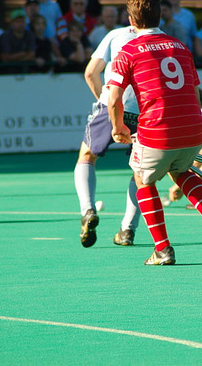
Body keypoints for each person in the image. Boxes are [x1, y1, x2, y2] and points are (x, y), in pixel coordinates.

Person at [107, 0, 202, 265]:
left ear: (131, 20)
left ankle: (162, 249)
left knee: (143, 179)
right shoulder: (180, 46)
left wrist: (118, 129)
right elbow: (197, 91)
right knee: (180, 169)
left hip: (158, 128)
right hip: (193, 128)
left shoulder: (128, 50)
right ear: (159, 16)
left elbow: (114, 98)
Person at [76, 25, 141, 248]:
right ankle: (127, 230)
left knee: (87, 156)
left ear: (132, 16)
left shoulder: (115, 34)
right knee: (141, 172)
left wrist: (105, 102)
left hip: (111, 103)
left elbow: (90, 72)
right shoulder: (165, 39)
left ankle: (88, 210)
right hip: (145, 111)